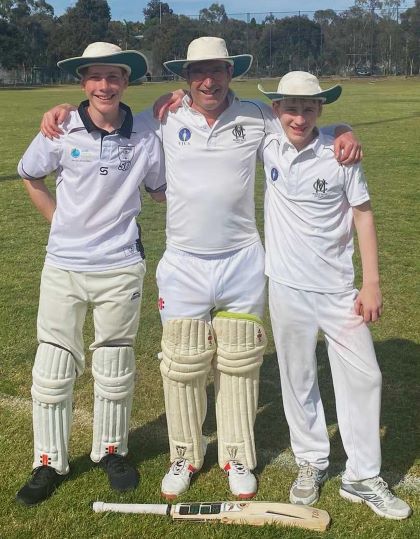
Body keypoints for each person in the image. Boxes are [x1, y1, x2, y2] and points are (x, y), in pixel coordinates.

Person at [40, 37, 361, 501]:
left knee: (239, 362)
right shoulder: (164, 117)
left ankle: (236, 456)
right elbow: (108, 117)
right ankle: (184, 455)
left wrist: (344, 129)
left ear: (231, 72)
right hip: (184, 262)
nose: (208, 81)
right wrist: (64, 108)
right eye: (198, 72)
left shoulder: (255, 116)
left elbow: (303, 123)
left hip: (243, 261)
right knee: (183, 364)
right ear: (185, 77)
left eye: (217, 70)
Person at [16, 42, 166, 506]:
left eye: (114, 77)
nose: (105, 86)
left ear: (126, 82)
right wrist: (59, 221)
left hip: (121, 265)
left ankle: (112, 450)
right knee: (54, 367)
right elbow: (29, 175)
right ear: (83, 82)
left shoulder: (144, 133)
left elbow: (161, 191)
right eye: (95, 77)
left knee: (115, 366)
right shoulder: (60, 129)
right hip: (64, 265)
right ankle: (48, 461)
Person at [257, 71, 412, 520]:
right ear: (276, 110)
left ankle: (362, 476)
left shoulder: (341, 155)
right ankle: (311, 460)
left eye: (309, 108)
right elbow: (224, 107)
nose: (299, 116)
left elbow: (363, 215)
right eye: (291, 107)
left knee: (366, 376)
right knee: (297, 376)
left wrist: (372, 282)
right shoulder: (268, 142)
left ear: (321, 110)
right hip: (286, 286)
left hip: (338, 289)